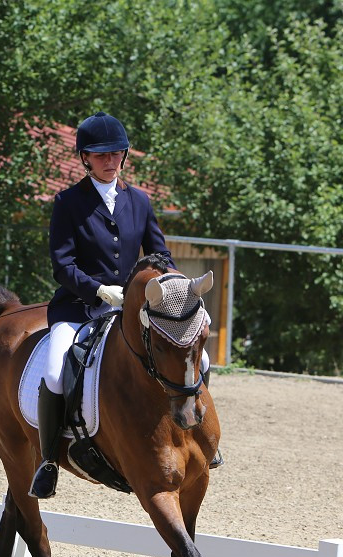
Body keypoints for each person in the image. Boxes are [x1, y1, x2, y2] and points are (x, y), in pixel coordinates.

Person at [29, 112, 213, 500]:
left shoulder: (139, 201)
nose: (109, 161)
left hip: (132, 311)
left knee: (200, 359)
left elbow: (160, 253)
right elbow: (62, 266)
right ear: (85, 158)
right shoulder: (68, 203)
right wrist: (98, 290)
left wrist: (170, 285)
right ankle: (48, 460)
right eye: (100, 155)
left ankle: (196, 433)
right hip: (79, 308)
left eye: (116, 154)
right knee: (56, 369)